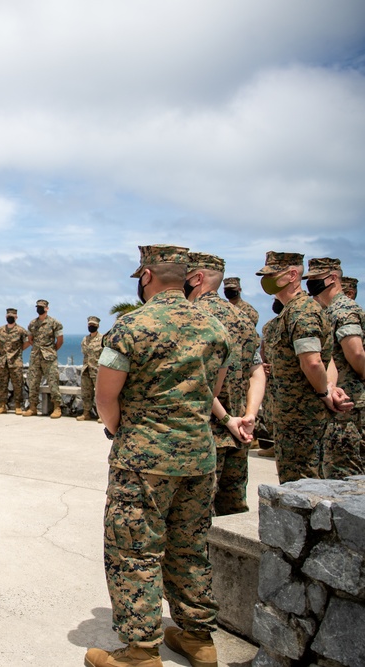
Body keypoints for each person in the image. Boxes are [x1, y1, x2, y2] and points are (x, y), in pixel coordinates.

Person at [87, 245, 231, 667]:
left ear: (147, 275)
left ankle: (140, 651)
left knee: (134, 551)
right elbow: (214, 392)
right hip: (200, 457)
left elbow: (105, 396)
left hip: (144, 459)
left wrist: (117, 428)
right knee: (189, 547)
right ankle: (197, 639)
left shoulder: (129, 327)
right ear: (186, 278)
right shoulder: (215, 328)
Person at [256, 251, 353, 483]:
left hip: (304, 421)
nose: (265, 280)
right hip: (291, 420)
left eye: (272, 274)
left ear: (292, 275)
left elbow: (313, 361)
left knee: (303, 486)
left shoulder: (303, 312)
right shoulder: (288, 313)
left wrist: (324, 391)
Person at [185, 252, 264, 517]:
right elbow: (257, 372)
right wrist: (249, 415)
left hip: (205, 432)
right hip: (240, 432)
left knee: (197, 517)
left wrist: (227, 418)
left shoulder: (193, 317)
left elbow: (199, 381)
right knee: (233, 515)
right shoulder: (243, 318)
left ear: (197, 278)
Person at [305, 257, 365, 478]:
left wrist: (361, 376)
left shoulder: (343, 310)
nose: (310, 285)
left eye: (315, 279)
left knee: (346, 473)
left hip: (351, 403)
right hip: (339, 401)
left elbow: (356, 352)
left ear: (333, 278)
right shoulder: (327, 310)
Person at [24, 299, 64, 418]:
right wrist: (38, 348)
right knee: (33, 382)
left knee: (53, 382)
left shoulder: (54, 323)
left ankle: (57, 407)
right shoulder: (32, 324)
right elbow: (30, 339)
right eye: (38, 307)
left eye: (41, 307)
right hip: (36, 356)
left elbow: (60, 341)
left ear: (47, 308)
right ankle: (33, 407)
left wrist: (50, 350)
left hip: (49, 357)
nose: (39, 309)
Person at [257, 299, 285, 459]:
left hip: (289, 377)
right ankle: (275, 444)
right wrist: (263, 363)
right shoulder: (269, 326)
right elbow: (263, 348)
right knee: (270, 412)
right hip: (272, 378)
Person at [0, 308, 29, 414]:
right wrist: (4, 350)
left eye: (12, 316)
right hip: (2, 361)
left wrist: (17, 351)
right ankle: (2, 405)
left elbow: (27, 343)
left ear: (16, 317)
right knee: (1, 384)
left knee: (18, 384)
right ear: (5, 316)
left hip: (16, 361)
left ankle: (18, 406)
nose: (10, 317)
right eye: (8, 316)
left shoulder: (21, 331)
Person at [77, 316, 103, 422]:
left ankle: (101, 415)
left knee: (99, 394)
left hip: (98, 370)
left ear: (97, 326)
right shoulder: (85, 339)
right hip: (86, 369)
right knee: (86, 393)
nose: (91, 327)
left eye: (93, 325)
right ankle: (86, 413)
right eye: (90, 325)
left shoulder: (102, 339)